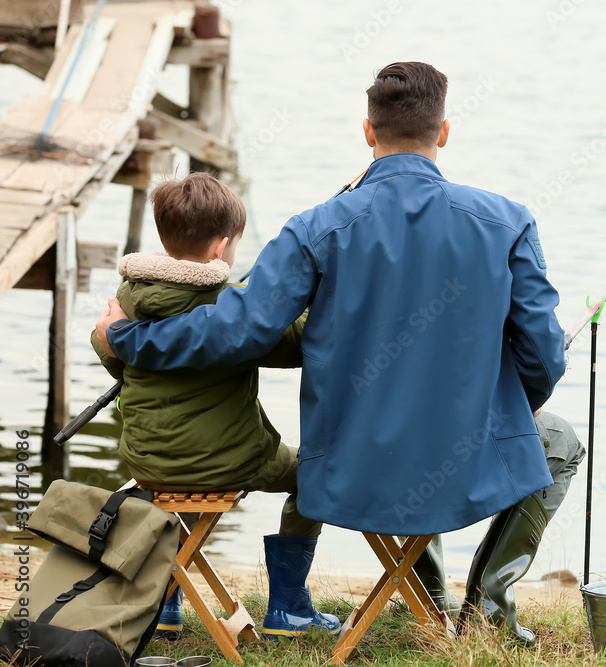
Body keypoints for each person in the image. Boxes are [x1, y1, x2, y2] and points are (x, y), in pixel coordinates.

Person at [95, 60, 565, 631]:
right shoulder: (508, 221)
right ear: (443, 132)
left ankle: (429, 590)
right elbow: (542, 354)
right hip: (465, 465)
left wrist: (130, 337)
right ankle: (487, 609)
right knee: (557, 439)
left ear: (368, 132)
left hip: (346, 468)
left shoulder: (314, 228)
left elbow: (237, 329)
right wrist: (515, 402)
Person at [90, 172, 340, 641]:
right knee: (313, 475)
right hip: (232, 461)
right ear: (222, 247)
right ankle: (289, 608)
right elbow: (298, 344)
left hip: (147, 461)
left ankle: (165, 604)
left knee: (177, 477)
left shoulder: (128, 297)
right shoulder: (237, 308)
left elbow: (109, 351)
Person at [412, 410, 585, 646]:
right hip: (461, 455)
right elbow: (537, 385)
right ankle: (487, 611)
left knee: (415, 441)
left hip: (387, 467)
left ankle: (430, 594)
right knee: (565, 440)